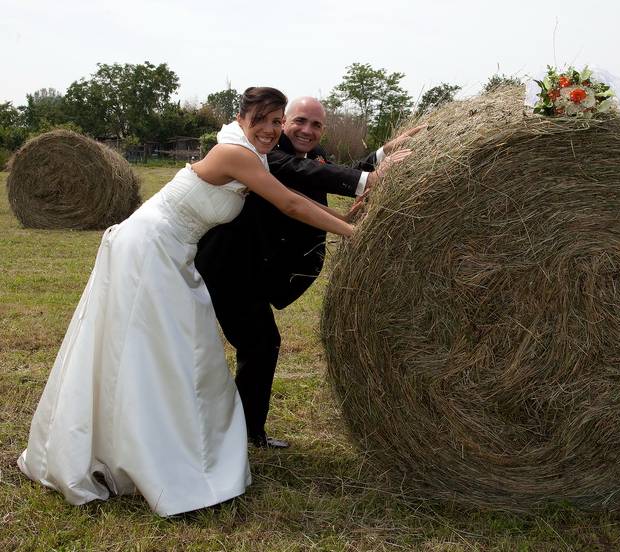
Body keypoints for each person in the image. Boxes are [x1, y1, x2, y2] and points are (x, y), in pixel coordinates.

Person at [17, 87, 354, 516]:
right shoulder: (237, 155)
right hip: (151, 245)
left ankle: (146, 441)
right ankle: (151, 453)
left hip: (173, 250)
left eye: (276, 120)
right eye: (264, 119)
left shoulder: (252, 152)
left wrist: (352, 206)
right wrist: (354, 234)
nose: (271, 129)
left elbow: (300, 186)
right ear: (243, 116)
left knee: (167, 350)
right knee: (165, 349)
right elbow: (289, 203)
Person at [195, 97, 423, 448]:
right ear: (283, 122)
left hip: (256, 271)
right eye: (299, 121)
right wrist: (367, 187)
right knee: (256, 344)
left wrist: (382, 154)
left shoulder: (310, 155)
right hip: (229, 267)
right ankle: (240, 433)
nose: (307, 130)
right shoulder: (266, 152)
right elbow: (303, 176)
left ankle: (244, 432)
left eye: (316, 125)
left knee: (259, 345)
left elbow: (328, 173)